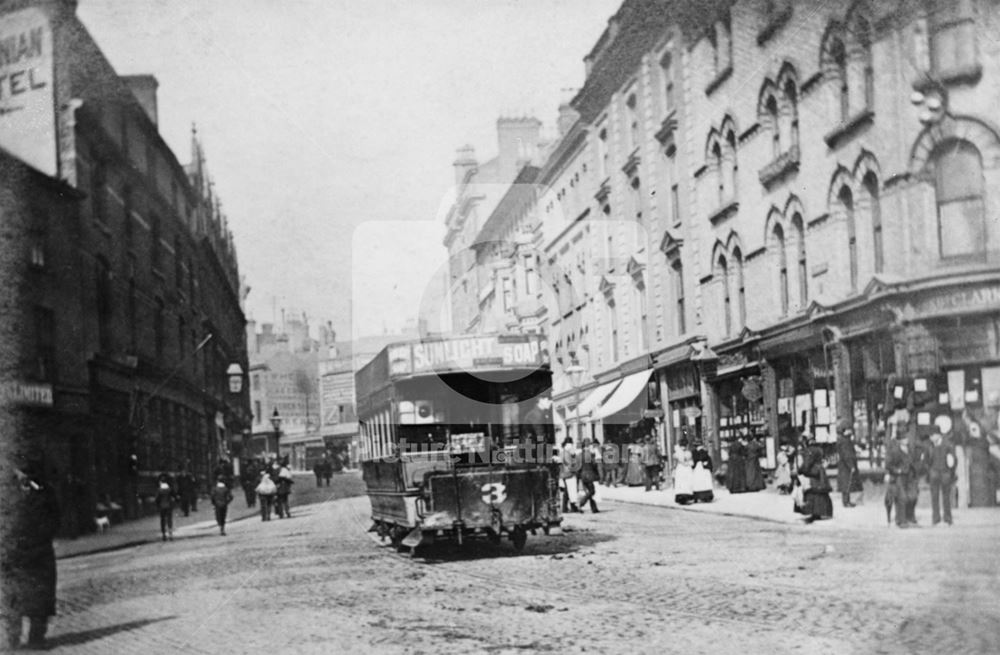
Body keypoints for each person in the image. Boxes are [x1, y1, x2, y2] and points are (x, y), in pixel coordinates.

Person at [3, 454, 60, 650]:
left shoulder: (45, 492)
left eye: (27, 471)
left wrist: (40, 540)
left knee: (40, 599)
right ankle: (12, 639)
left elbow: (55, 520)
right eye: (20, 471)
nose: (23, 475)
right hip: (14, 555)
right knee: (12, 599)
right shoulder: (6, 493)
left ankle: (37, 638)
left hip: (40, 553)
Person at [925, 417, 957, 526]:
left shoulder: (948, 444)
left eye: (932, 435)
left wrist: (951, 472)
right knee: (934, 497)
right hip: (934, 473)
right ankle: (936, 518)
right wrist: (928, 472)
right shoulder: (929, 446)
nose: (930, 437)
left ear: (938, 434)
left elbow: (953, 461)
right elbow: (927, 460)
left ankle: (948, 518)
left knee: (946, 497)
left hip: (945, 473)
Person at [885, 431, 920, 527]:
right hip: (899, 477)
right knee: (902, 497)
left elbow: (913, 462)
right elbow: (888, 465)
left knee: (913, 496)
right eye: (904, 439)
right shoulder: (894, 451)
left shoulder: (909, 449)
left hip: (910, 476)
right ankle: (900, 520)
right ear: (899, 440)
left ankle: (910, 518)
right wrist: (897, 471)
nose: (906, 440)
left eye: (906, 438)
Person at [796, 434, 833, 523]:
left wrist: (801, 470)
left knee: (812, 492)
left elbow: (807, 463)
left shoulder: (809, 451)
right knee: (821, 493)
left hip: (812, 473)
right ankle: (822, 512)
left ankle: (814, 513)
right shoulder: (819, 449)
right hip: (820, 473)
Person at [836, 423, 860, 508]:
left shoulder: (844, 440)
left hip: (844, 465)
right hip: (846, 466)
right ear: (845, 431)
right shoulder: (845, 441)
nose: (850, 431)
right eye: (848, 429)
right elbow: (846, 455)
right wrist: (851, 466)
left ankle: (847, 501)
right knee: (847, 483)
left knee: (846, 483)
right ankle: (846, 502)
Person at [576, 439, 600, 513]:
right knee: (592, 491)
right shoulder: (589, 454)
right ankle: (581, 503)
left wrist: (579, 475)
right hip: (589, 475)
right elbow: (594, 465)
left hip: (583, 475)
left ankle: (594, 508)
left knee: (589, 491)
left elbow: (577, 467)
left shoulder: (579, 455)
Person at [559, 438, 580, 513]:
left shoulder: (562, 452)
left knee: (567, 492)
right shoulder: (568, 453)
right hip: (569, 474)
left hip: (564, 474)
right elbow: (570, 464)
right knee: (572, 491)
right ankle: (572, 507)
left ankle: (566, 508)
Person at [155, 472, 176, 541]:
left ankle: (164, 534)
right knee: (169, 519)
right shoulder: (169, 489)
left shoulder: (159, 490)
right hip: (169, 505)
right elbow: (174, 495)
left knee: (162, 520)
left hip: (162, 506)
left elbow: (157, 499)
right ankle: (170, 532)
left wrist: (157, 505)